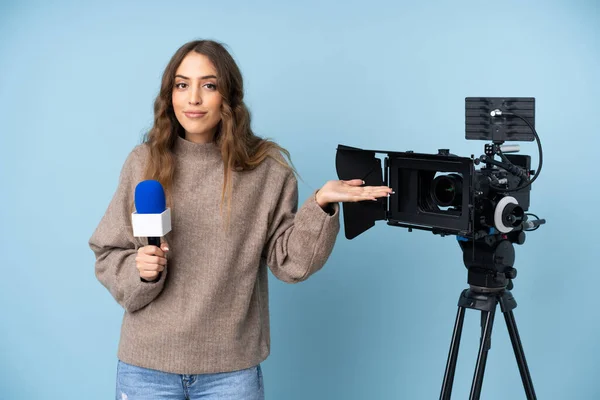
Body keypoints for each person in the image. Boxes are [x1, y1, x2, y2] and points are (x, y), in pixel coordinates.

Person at [89, 39, 392, 400]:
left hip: (230, 374)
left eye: (209, 85)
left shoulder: (266, 170)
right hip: (146, 370)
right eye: (182, 85)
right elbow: (108, 253)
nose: (193, 98)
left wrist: (321, 205)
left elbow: (290, 263)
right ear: (170, 95)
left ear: (228, 96)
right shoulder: (143, 163)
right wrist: (141, 269)